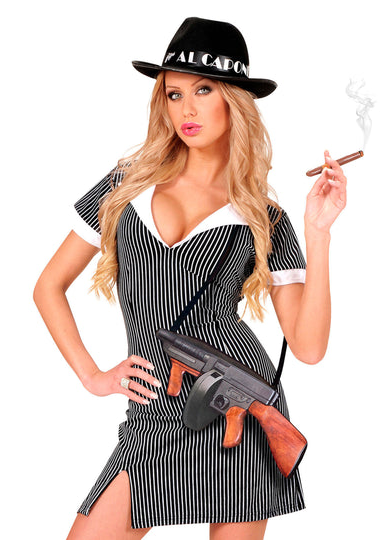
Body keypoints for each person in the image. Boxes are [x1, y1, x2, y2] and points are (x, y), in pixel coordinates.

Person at [33, 17, 347, 540]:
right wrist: (93, 376)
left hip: (238, 412)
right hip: (153, 410)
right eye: (174, 94)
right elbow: (48, 287)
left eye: (203, 90)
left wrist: (319, 233)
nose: (187, 110)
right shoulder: (125, 186)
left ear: (234, 100)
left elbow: (308, 348)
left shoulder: (263, 216)